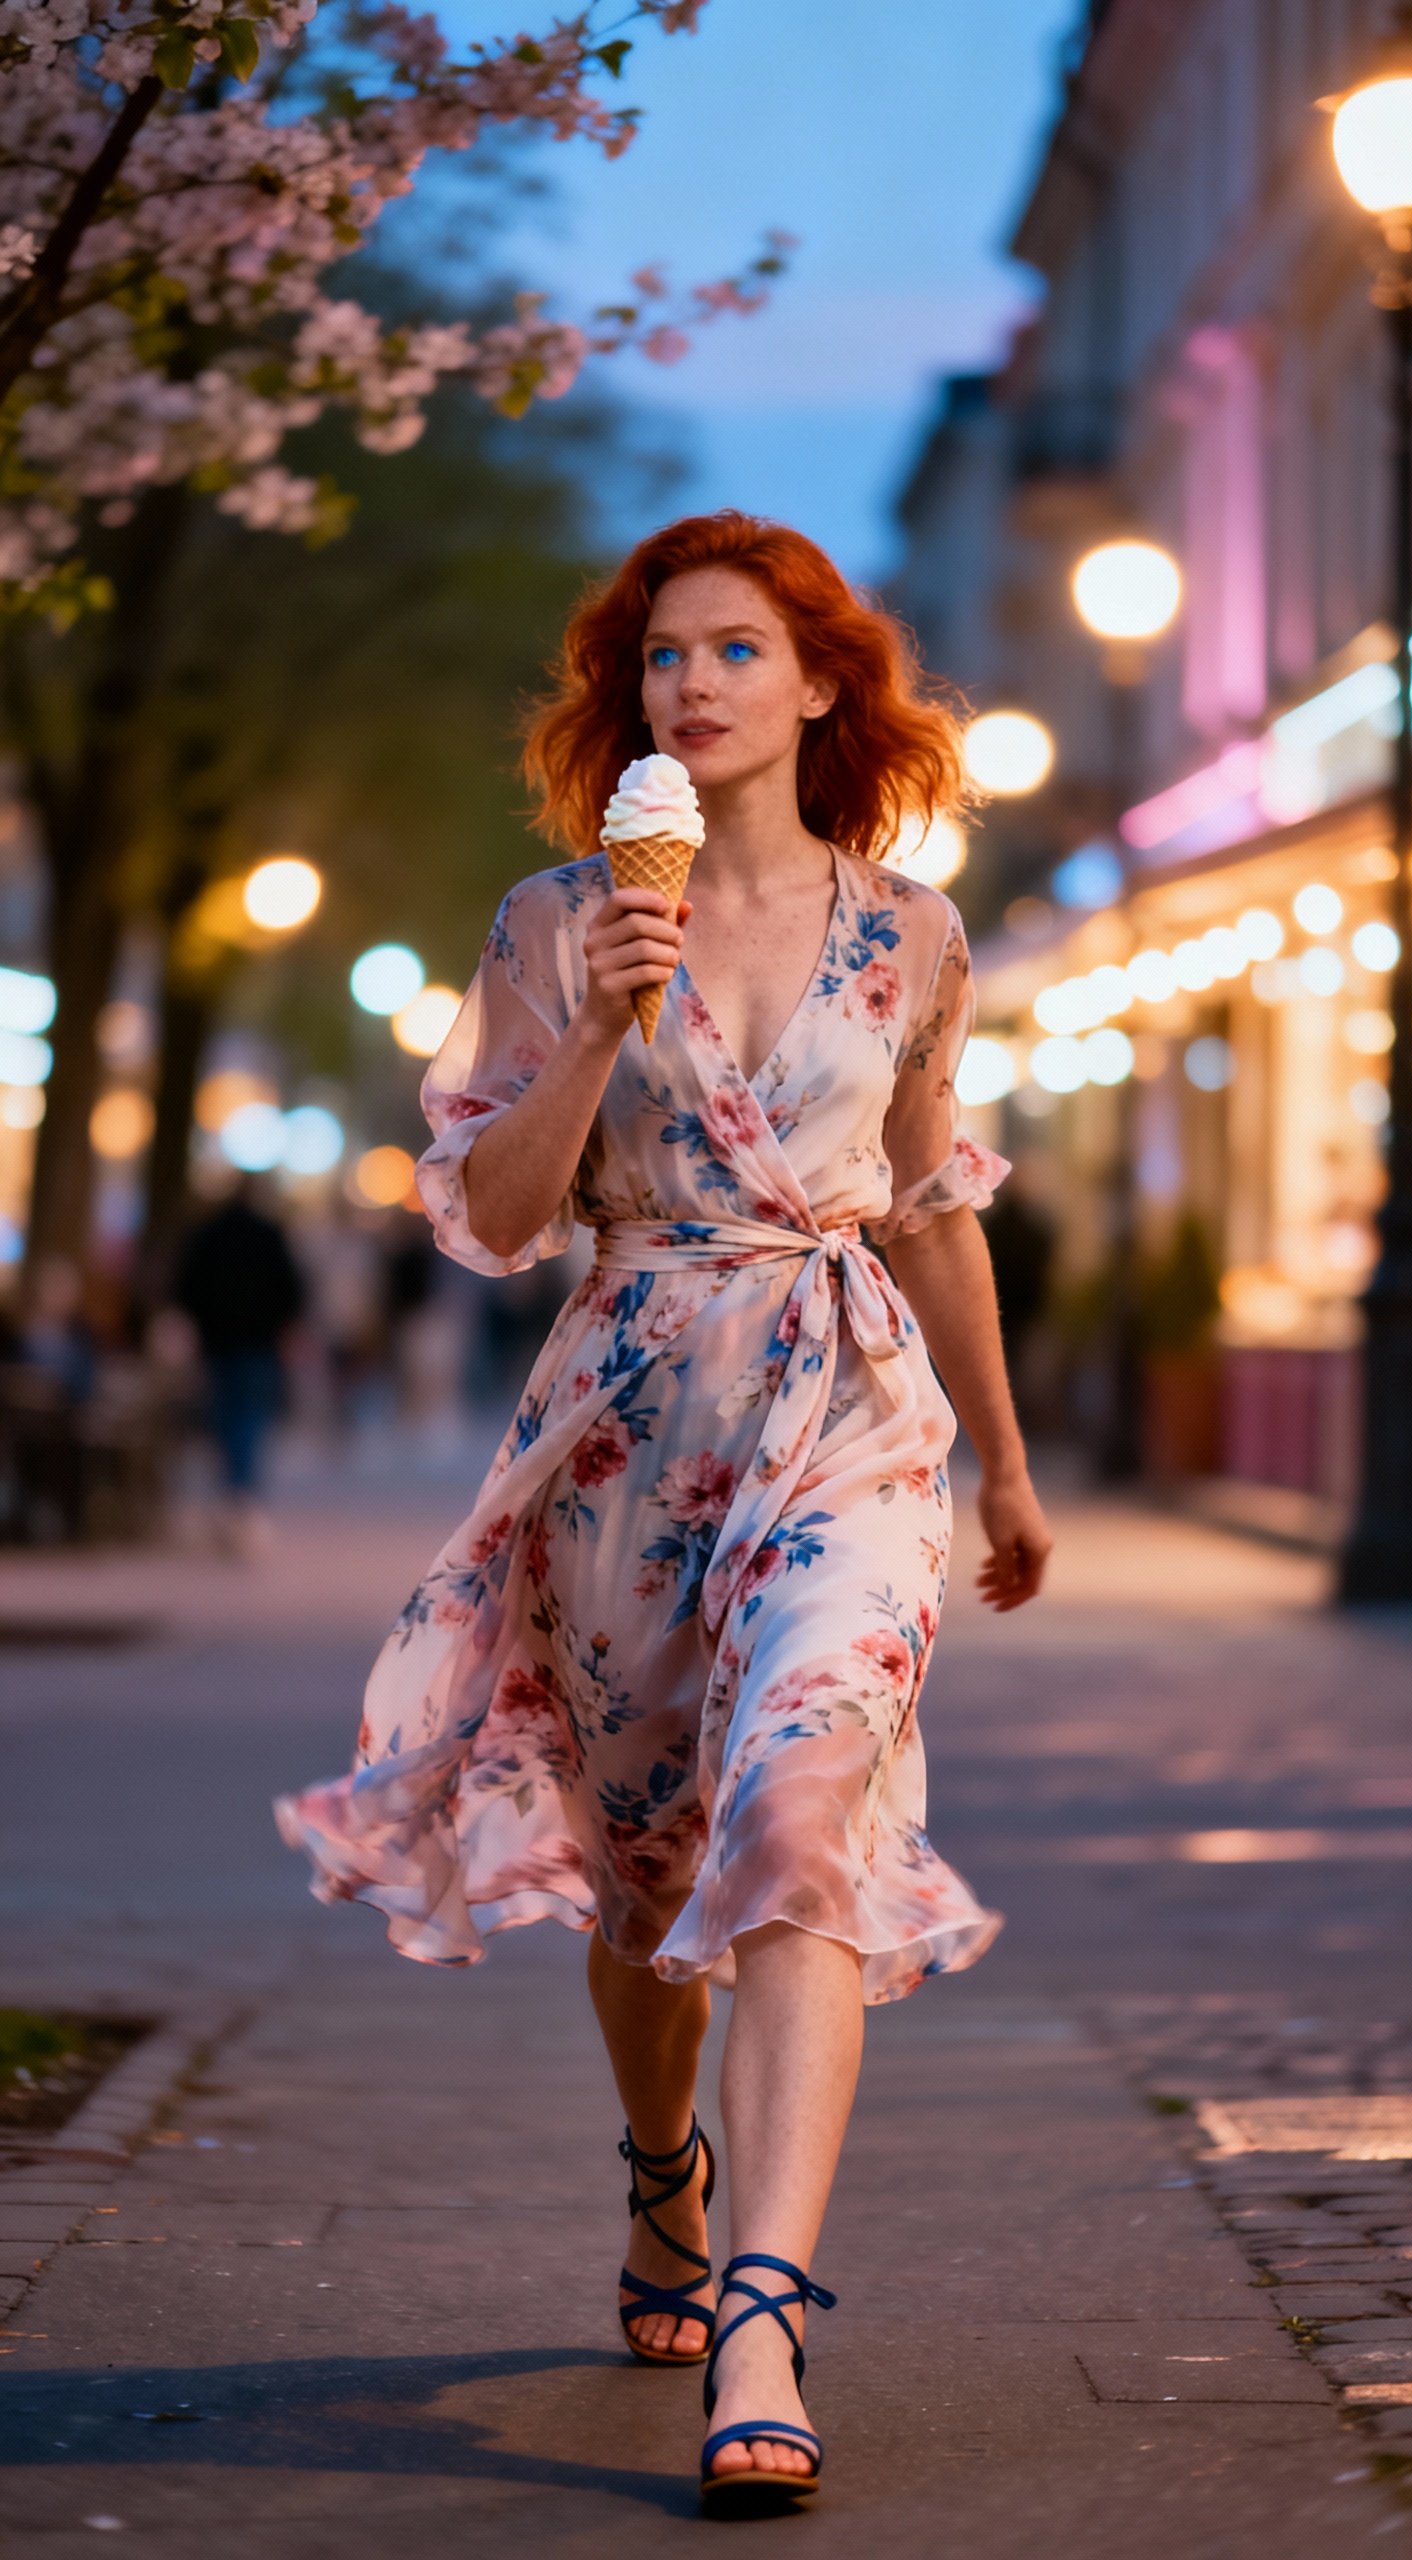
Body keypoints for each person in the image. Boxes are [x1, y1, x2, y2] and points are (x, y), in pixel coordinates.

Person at [276, 510, 1051, 2513]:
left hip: (846, 1404)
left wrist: (1011, 1462)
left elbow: (933, 1204)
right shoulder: (552, 921)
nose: (689, 683)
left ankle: (768, 2313)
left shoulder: (916, 933)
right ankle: (662, 2178)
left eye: (734, 648)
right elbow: (503, 1215)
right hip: (628, 1412)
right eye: (659, 657)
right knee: (651, 1887)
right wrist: (607, 1016)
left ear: (819, 681)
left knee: (801, 1808)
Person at [174, 1175, 304, 1549]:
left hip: (218, 1343)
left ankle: (232, 1491)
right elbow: (291, 1289)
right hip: (257, 1343)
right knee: (249, 1417)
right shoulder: (267, 1234)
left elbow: (187, 1287)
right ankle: (241, 1493)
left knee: (225, 1416)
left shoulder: (209, 1234)